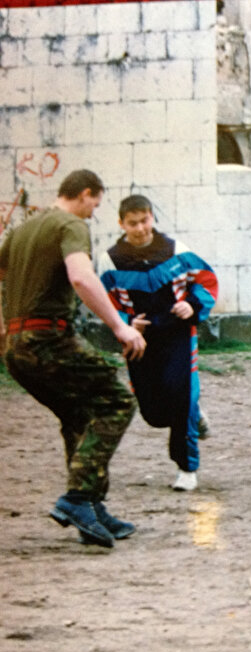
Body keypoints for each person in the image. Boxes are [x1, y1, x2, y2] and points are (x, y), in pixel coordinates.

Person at [0, 169, 146, 548]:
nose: (92, 214)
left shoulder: (23, 229)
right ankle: (78, 499)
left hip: (16, 346)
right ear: (84, 194)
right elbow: (81, 277)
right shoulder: (70, 225)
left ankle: (92, 508)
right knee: (117, 402)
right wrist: (120, 326)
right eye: (94, 205)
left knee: (79, 415)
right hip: (48, 337)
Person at [97, 195, 218, 492]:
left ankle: (187, 468)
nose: (139, 228)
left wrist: (191, 304)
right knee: (152, 412)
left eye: (144, 220)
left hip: (178, 334)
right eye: (132, 223)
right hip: (139, 340)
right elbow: (102, 300)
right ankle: (194, 412)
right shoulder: (110, 260)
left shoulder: (177, 250)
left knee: (181, 396)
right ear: (121, 224)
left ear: (152, 218)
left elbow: (206, 280)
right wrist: (125, 322)